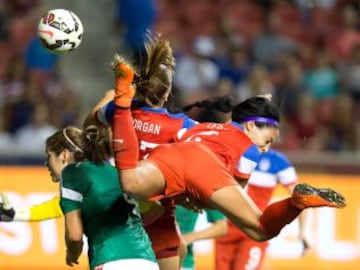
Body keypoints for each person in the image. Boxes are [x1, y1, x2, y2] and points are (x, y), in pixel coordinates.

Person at [0, 33, 198, 270]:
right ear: (167, 93)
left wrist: (115, 96)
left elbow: (90, 123)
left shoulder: (119, 115)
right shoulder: (183, 126)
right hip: (155, 215)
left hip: (120, 220)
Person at [110, 57, 346, 244]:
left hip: (172, 152)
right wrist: (201, 200)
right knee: (262, 230)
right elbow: (226, 196)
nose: (265, 148)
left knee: (130, 182)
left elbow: (184, 158)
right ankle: (297, 202)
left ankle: (122, 99)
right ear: (251, 125)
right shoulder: (249, 150)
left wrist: (191, 196)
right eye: (267, 140)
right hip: (204, 166)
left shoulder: (203, 126)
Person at [47, 126, 158, 269]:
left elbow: (74, 236)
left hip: (110, 259)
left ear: (64, 155)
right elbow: (156, 209)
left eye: (49, 156)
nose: (47, 163)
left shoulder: (72, 173)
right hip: (147, 260)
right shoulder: (117, 171)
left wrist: (72, 253)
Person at [215, 148, 309, 270]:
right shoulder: (232, 150)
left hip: (254, 230)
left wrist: (303, 232)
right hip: (227, 229)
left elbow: (301, 198)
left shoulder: (278, 162)